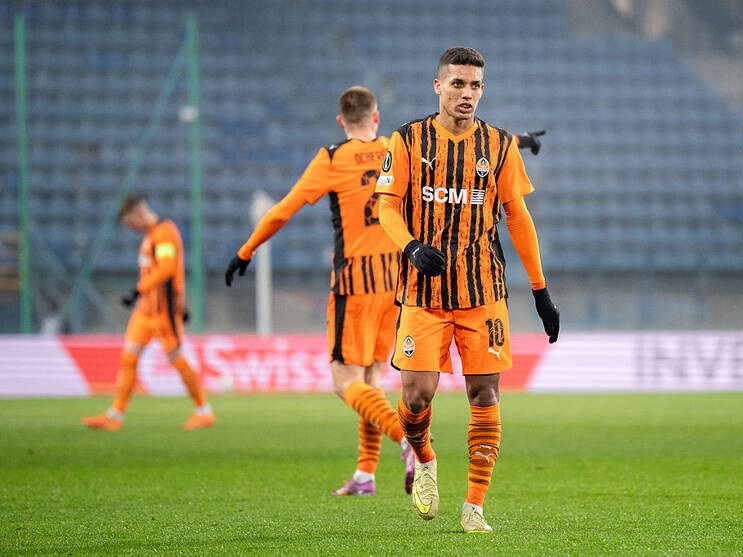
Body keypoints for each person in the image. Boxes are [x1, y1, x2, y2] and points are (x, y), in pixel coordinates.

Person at [375, 47, 560, 533]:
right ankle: (425, 459)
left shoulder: (498, 145)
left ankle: (474, 506)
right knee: (417, 396)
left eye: (475, 85)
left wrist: (540, 291)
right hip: (424, 293)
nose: (467, 93)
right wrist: (412, 247)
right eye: (458, 83)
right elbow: (386, 206)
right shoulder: (408, 139)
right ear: (438, 86)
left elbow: (518, 218)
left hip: (483, 293)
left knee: (484, 393)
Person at [224, 86, 415, 496]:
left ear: (340, 121)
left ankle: (408, 438)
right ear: (376, 117)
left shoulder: (332, 158)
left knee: (343, 382)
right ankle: (365, 475)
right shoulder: (395, 149)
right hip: (395, 281)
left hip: (355, 282)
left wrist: (246, 250)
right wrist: (516, 142)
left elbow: (282, 211)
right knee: (370, 380)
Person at [83, 194, 215, 431]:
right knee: (128, 358)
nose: (130, 228)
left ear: (139, 214)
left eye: (130, 223)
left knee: (176, 358)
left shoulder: (164, 233)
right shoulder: (150, 235)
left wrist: (139, 290)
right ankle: (115, 415)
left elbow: (167, 269)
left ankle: (203, 410)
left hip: (163, 311)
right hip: (145, 310)